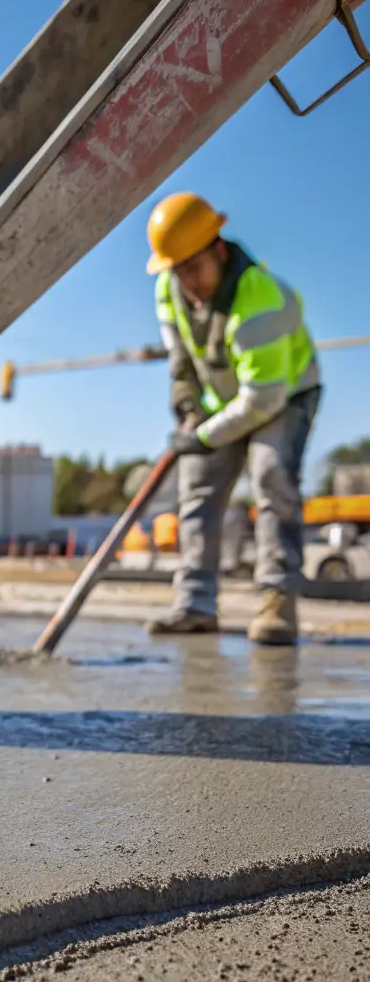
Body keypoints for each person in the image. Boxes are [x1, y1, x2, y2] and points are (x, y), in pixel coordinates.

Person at [145, 193, 321, 646]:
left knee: (270, 474)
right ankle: (195, 605)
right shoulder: (169, 287)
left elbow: (262, 401)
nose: (187, 282)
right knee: (197, 486)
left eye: (194, 268)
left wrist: (202, 436)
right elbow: (180, 357)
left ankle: (278, 600)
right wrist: (186, 402)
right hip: (223, 398)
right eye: (177, 271)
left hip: (283, 395)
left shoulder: (261, 301)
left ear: (219, 251)